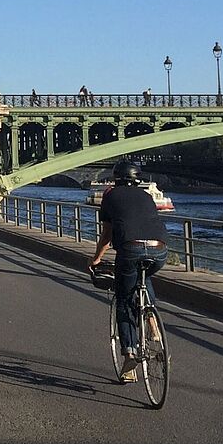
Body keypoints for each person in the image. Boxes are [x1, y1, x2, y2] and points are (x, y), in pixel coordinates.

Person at [89, 160, 167, 381]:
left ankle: (130, 356)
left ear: (116, 178)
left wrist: (96, 259)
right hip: (159, 248)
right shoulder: (147, 196)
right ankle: (153, 324)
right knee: (144, 274)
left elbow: (107, 236)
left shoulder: (110, 196)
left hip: (130, 248)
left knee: (123, 298)